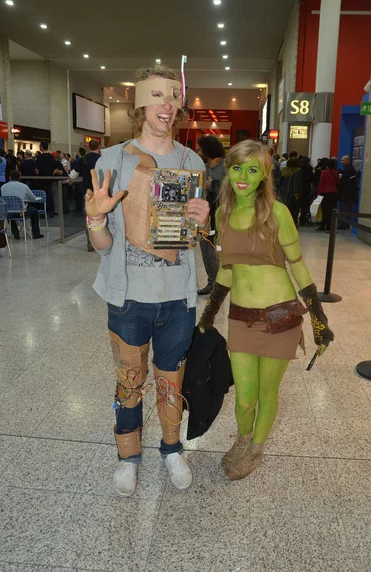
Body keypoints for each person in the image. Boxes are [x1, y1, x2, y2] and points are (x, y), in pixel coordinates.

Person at [85, 65, 209, 497]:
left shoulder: (191, 162)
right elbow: (102, 245)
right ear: (140, 103)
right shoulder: (114, 159)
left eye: (173, 97)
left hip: (178, 297)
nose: (167, 105)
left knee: (171, 379)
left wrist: (202, 220)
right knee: (129, 380)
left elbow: (189, 240)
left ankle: (171, 449)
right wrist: (96, 216)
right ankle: (127, 457)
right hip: (128, 297)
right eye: (158, 96)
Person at [198, 140, 333, 480]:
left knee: (266, 393)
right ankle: (244, 439)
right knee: (244, 397)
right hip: (241, 318)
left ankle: (255, 447)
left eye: (253, 169)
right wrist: (210, 311)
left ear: (264, 175)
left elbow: (298, 265)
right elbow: (227, 269)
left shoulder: (278, 213)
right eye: (237, 167)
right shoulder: (223, 212)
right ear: (227, 169)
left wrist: (318, 317)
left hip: (280, 317)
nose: (243, 176)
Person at [196, 135, 225, 295]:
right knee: (205, 249)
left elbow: (231, 187)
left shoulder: (226, 167)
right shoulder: (203, 167)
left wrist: (211, 184)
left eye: (200, 149)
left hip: (220, 217)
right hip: (204, 218)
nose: (198, 152)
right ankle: (212, 282)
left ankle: (219, 285)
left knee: (216, 251)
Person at [72, 139, 101, 251]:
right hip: (101, 192)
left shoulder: (83, 159)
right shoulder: (102, 158)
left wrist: (70, 180)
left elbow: (73, 174)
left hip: (88, 192)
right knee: (103, 216)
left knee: (88, 218)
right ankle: (102, 241)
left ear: (88, 147)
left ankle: (90, 243)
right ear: (99, 146)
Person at [1, 169, 44, 239]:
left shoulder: (3, 187)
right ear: (19, 177)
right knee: (34, 211)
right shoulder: (24, 186)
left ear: (9, 177)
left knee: (10, 214)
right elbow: (33, 198)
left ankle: (15, 232)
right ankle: (36, 234)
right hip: (21, 211)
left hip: (7, 212)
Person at [278, 151, 302, 224]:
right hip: (292, 194)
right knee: (292, 211)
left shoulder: (283, 170)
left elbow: (279, 181)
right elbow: (298, 183)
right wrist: (297, 194)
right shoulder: (298, 171)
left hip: (282, 192)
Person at [317, 158, 340, 231]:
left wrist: (319, 193)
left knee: (325, 210)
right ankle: (330, 226)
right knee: (332, 210)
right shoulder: (336, 172)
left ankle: (323, 225)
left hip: (325, 193)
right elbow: (338, 183)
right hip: (333, 193)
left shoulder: (324, 172)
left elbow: (321, 183)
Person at [35, 141, 56, 216]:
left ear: (41, 147)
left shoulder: (39, 157)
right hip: (50, 179)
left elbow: (37, 169)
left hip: (41, 179)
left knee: (42, 195)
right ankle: (51, 211)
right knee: (50, 194)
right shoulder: (51, 157)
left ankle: (43, 211)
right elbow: (55, 167)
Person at [339, 155, 358, 229]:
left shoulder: (348, 170)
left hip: (346, 194)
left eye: (343, 160)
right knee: (346, 208)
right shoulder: (349, 169)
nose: (341, 162)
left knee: (345, 208)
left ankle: (344, 224)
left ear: (348, 161)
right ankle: (345, 223)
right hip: (348, 194)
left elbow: (345, 182)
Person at [299, 156, 314, 226]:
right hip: (306, 187)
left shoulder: (299, 167)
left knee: (297, 204)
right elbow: (312, 178)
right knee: (304, 205)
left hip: (299, 187)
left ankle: (295, 218)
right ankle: (302, 219)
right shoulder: (310, 167)